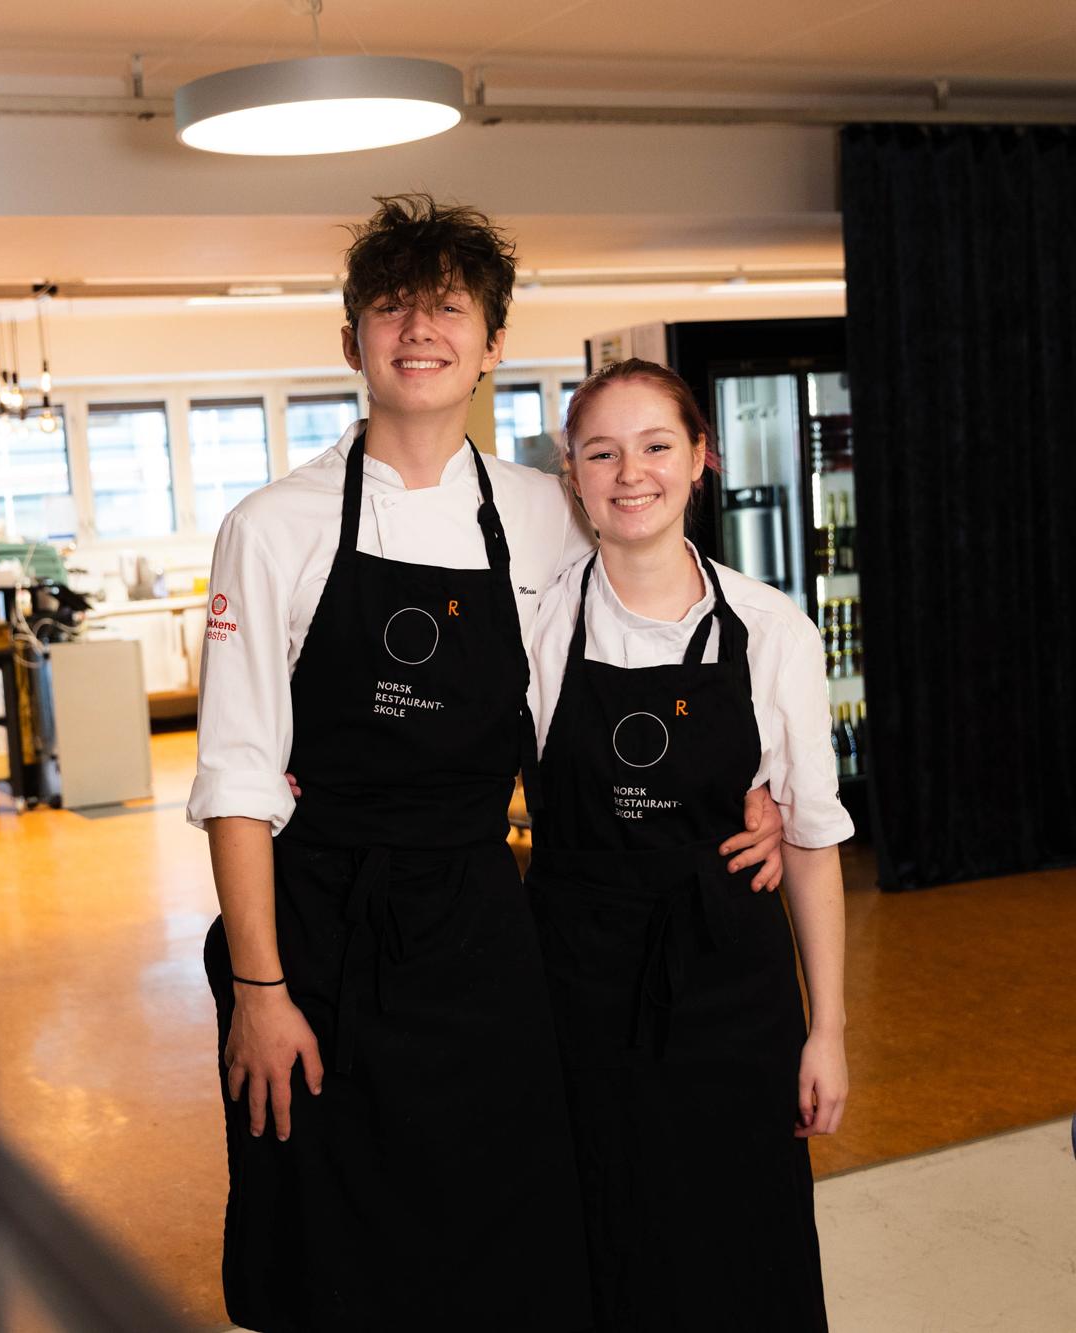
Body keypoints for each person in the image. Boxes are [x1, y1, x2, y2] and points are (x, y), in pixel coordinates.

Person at [187, 197, 786, 1331]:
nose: (418, 330)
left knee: (502, 1226)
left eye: (446, 308)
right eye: (389, 307)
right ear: (351, 336)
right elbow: (237, 775)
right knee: (328, 1239)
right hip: (313, 931)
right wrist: (259, 990)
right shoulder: (271, 526)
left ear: (491, 343)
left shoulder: (540, 513)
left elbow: (677, 601)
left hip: (476, 929)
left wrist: (768, 778)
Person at [525, 358, 849, 1331]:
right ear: (571, 476)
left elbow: (810, 837)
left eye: (656, 445)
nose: (631, 473)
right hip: (574, 990)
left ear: (698, 458)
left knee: (742, 1244)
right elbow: (449, 765)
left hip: (728, 990)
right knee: (598, 1237)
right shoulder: (533, 622)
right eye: (602, 451)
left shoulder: (772, 628)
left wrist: (824, 1028)